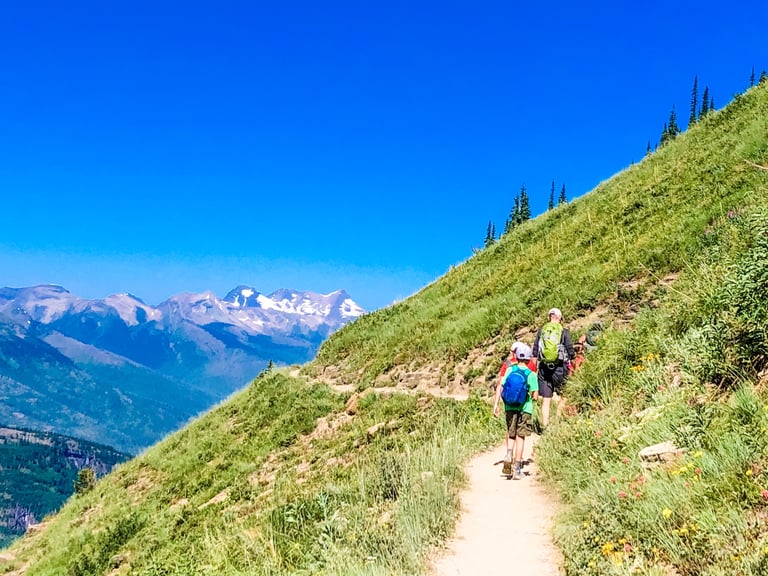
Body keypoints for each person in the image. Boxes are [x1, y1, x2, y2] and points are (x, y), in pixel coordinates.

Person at [493, 343, 539, 479]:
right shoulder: (531, 374)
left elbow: (502, 386)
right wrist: (531, 396)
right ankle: (518, 468)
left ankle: (508, 453)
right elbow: (535, 396)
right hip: (525, 409)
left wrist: (496, 405)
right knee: (520, 437)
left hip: (509, 407)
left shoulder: (509, 370)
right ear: (529, 358)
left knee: (511, 434)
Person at [531, 308, 575, 429]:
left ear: (549, 317)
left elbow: (535, 351)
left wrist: (534, 370)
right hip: (561, 368)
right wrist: (572, 360)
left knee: (546, 399)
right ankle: (558, 420)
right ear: (560, 318)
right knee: (564, 394)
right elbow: (570, 350)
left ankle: (545, 425)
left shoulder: (541, 331)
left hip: (544, 369)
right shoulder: (564, 331)